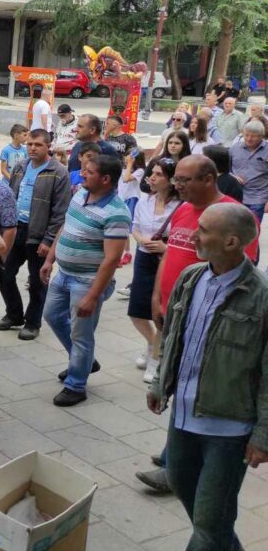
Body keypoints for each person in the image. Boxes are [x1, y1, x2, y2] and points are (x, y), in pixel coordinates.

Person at [149, 202, 268, 551]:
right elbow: (173, 337)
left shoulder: (262, 296)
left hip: (229, 429)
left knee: (208, 524)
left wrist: (263, 435)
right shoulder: (191, 277)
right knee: (184, 488)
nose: (193, 236)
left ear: (231, 242)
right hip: (183, 416)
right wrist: (160, 383)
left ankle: (217, 547)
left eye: (203, 230)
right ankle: (228, 549)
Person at [42, 155, 131, 406]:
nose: (82, 174)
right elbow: (66, 226)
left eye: (89, 172)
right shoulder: (80, 194)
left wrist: (93, 296)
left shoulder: (117, 213)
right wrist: (50, 259)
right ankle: (84, 362)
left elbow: (112, 259)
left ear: (105, 179)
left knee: (81, 334)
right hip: (64, 274)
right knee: (52, 316)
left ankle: (76, 385)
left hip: (87, 281)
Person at [0, 129, 71, 340]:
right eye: (29, 144)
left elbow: (60, 211)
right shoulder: (20, 167)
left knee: (37, 281)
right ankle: (14, 314)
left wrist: (49, 240)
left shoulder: (58, 172)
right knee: (4, 274)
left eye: (38, 145)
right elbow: (10, 198)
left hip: (39, 234)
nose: (32, 148)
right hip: (15, 230)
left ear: (48, 146)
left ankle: (33, 322)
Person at [128, 157, 181, 383]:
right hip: (144, 257)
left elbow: (184, 238)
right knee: (136, 310)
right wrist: (141, 240)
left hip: (167, 259)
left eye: (159, 174)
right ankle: (152, 344)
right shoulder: (145, 201)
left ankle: (156, 360)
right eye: (152, 173)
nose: (152, 177)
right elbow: (135, 227)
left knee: (160, 310)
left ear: (171, 180)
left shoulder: (180, 206)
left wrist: (165, 248)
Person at [230, 121, 268, 226]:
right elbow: (226, 169)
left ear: (261, 136)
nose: (249, 138)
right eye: (246, 135)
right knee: (235, 229)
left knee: (252, 229)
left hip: (258, 198)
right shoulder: (235, 148)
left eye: (253, 136)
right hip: (236, 196)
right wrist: (233, 176)